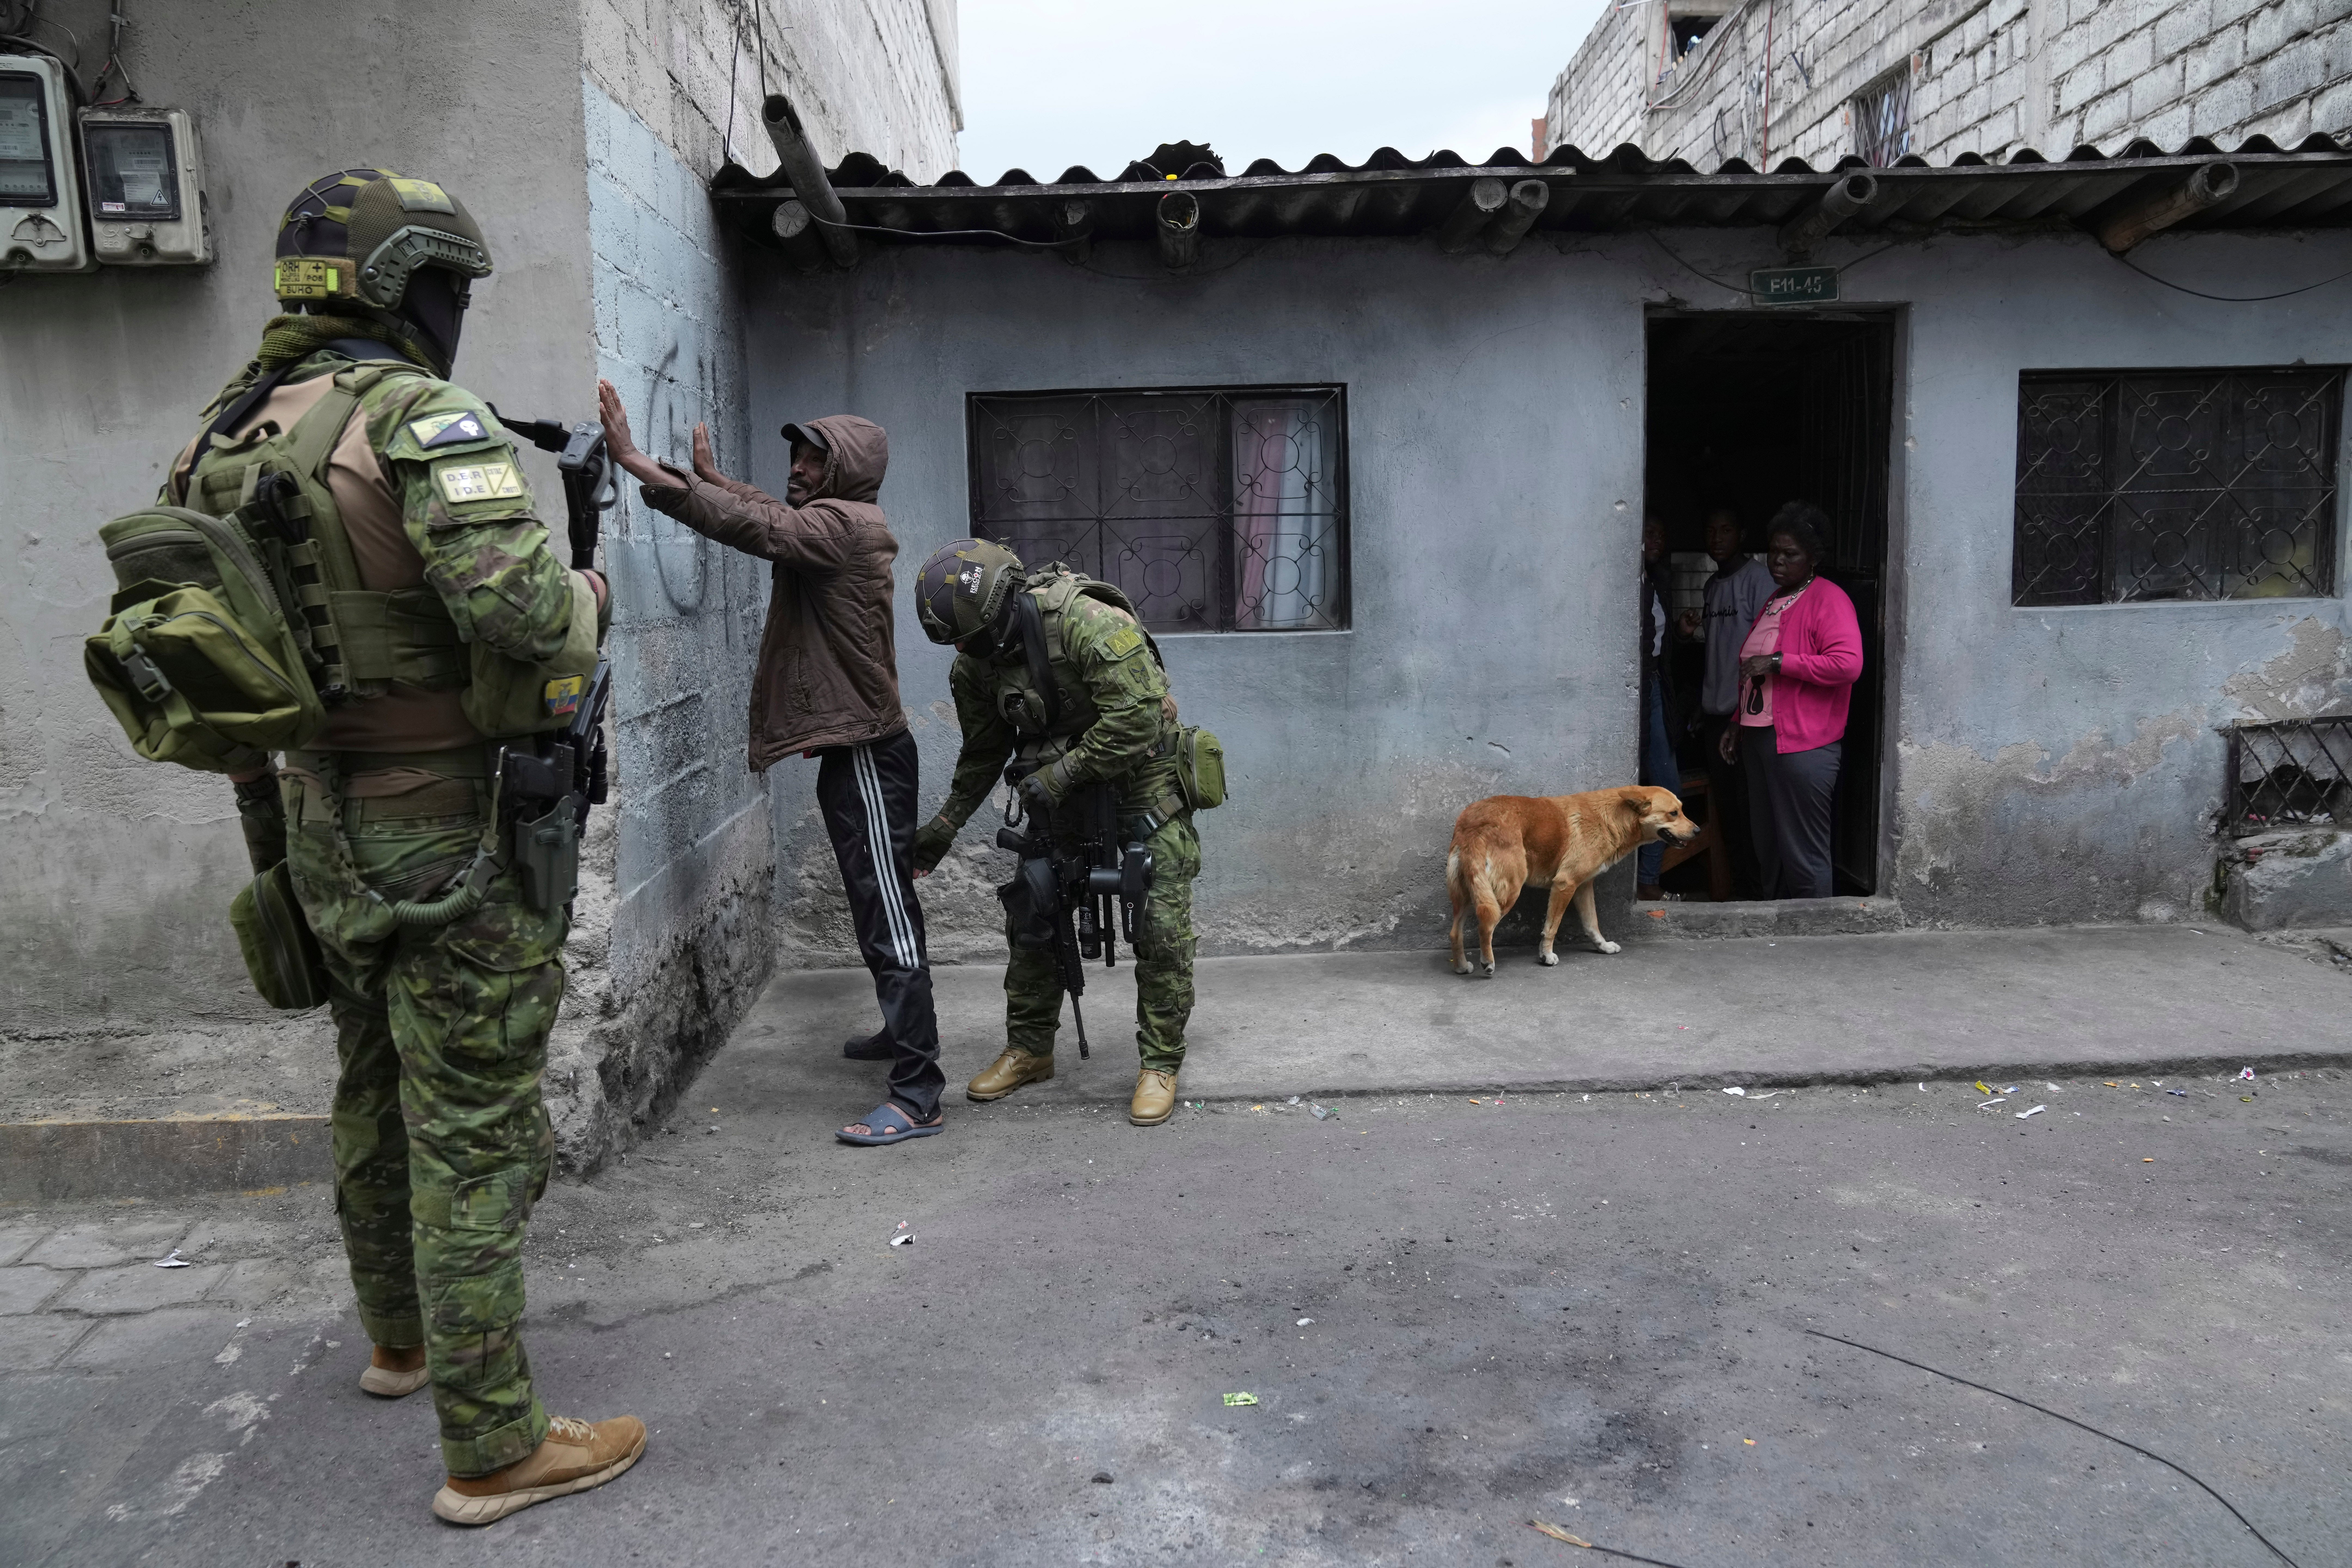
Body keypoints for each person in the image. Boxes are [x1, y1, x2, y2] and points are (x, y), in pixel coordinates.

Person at [182, 169, 640, 1523]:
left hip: (322, 823)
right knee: (474, 1131)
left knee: (373, 1086)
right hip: (447, 836)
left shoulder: (227, 435)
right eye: (451, 287)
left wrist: (272, 828)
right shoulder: (416, 418)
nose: (457, 314)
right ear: (405, 288)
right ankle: (495, 1446)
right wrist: (592, 587)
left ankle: (401, 1341)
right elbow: (525, 619)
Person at [595, 388, 945, 1148]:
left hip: (869, 756)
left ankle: (919, 1092)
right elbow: (766, 511)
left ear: (846, 470)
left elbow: (763, 528)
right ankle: (902, 1034)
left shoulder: (845, 529)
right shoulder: (839, 521)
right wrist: (715, 480)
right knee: (880, 906)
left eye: (815, 459)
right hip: (858, 751)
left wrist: (635, 463)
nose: (798, 467)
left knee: (887, 914)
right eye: (796, 455)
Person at [906, 540, 1201, 1128]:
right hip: (1059, 788)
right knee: (1033, 910)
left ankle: (1161, 1062)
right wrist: (943, 828)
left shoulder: (1087, 622)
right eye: (955, 643)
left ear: (1006, 607)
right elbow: (984, 752)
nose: (963, 651)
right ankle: (1030, 1050)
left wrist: (1062, 774)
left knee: (1161, 920)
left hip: (1143, 780)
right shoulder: (975, 665)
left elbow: (1139, 719)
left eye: (971, 639)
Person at [1717, 503, 1863, 899]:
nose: (1778, 561)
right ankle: (1778, 927)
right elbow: (1755, 672)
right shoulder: (1775, 600)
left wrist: (1780, 662)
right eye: (1773, 552)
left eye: (1790, 554)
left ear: (1813, 558)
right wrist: (1737, 721)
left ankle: (1815, 931)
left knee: (1803, 854)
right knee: (1769, 848)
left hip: (1803, 745)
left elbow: (1848, 664)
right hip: (1760, 740)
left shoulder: (1828, 599)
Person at [1676, 508, 1776, 898]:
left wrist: (1738, 712)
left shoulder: (1759, 581)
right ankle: (1738, 890)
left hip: (1747, 719)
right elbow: (1718, 651)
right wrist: (1706, 702)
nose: (1717, 538)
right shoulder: (1712, 586)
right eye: (1711, 530)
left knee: (1752, 810)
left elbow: (1765, 649)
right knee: (1729, 812)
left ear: (1743, 534)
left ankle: (1759, 893)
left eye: (1727, 530)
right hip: (1717, 717)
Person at [1635, 515, 1682, 899]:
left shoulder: (1655, 580)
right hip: (1637, 688)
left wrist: (1680, 633)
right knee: (1660, 789)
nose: (1656, 541)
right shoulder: (1632, 582)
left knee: (1664, 788)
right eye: (1649, 532)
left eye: (1661, 535)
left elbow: (1658, 643)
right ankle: (1645, 882)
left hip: (1654, 687)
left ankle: (1647, 879)